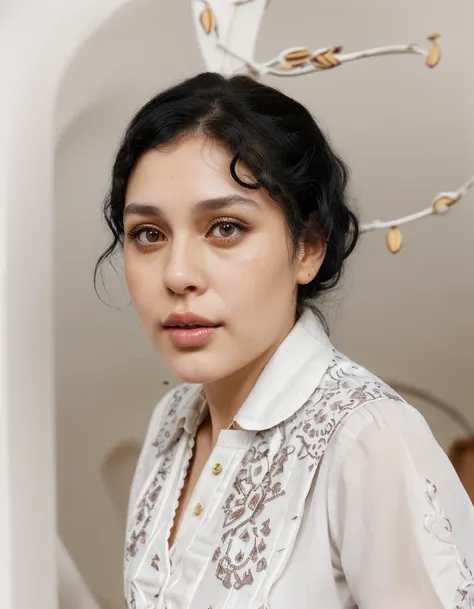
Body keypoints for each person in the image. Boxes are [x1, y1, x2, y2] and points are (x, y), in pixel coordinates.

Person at [96, 72, 474, 609]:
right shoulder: (170, 423)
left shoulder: (368, 440)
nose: (178, 274)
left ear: (309, 247)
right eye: (149, 234)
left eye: (225, 227)